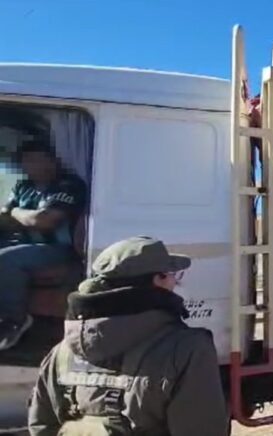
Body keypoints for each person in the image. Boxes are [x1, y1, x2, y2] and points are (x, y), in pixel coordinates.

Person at [27, 236, 229, 436]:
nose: (175, 281)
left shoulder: (62, 352)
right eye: (170, 274)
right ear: (156, 281)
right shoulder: (187, 349)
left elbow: (41, 426)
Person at [0, 141, 87, 351]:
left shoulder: (68, 185)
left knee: (6, 258)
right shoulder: (24, 187)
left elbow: (44, 220)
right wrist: (19, 216)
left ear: (52, 160)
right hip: (25, 244)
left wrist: (15, 213)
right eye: (25, 161)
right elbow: (5, 216)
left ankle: (14, 320)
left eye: (34, 159)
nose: (28, 165)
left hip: (59, 249)